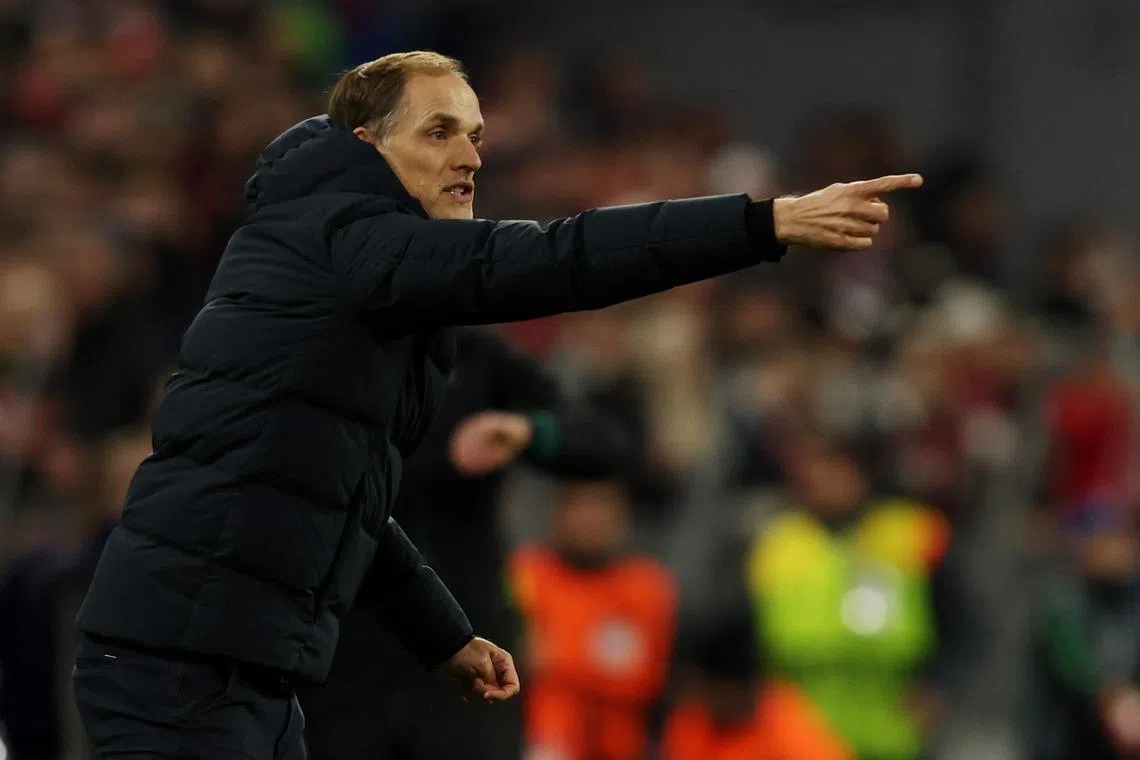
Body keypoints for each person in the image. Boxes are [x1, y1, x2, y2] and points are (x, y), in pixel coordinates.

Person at [71, 50, 922, 760]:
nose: (471, 157)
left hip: (237, 665)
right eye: (438, 132)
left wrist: (444, 634)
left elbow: (344, 497)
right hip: (182, 661)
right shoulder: (344, 240)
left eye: (476, 135)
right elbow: (560, 258)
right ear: (366, 144)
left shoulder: (358, 279)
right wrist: (759, 223)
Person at [297, 326, 633, 760]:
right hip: (348, 656)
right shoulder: (334, 354)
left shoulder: (479, 358)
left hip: (467, 650)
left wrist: (526, 430)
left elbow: (605, 442)